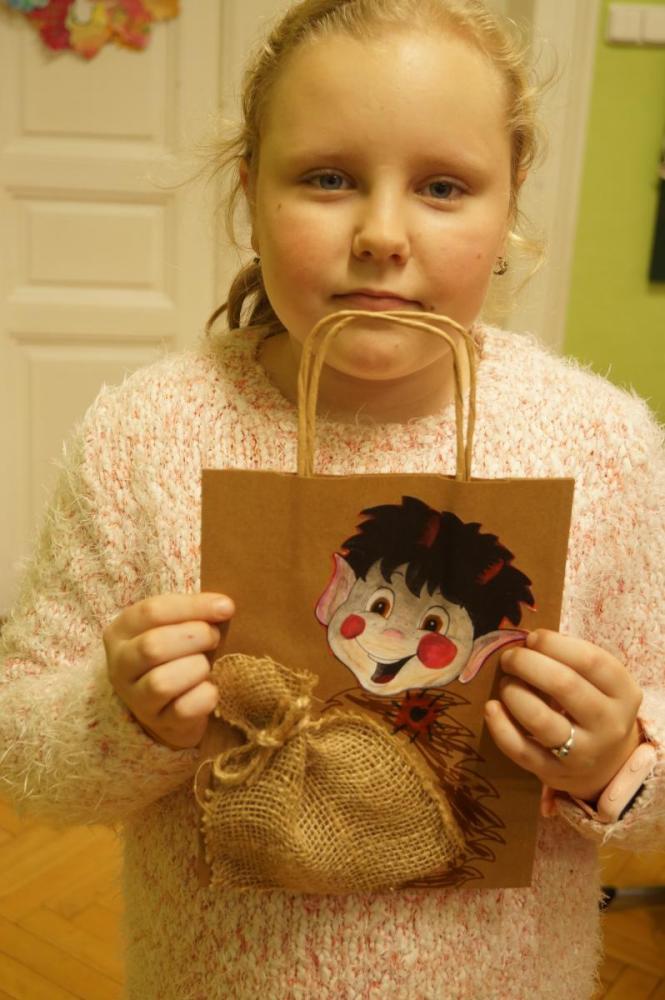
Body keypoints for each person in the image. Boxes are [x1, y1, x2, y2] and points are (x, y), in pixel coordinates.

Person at [1, 1, 663, 997]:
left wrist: (616, 757)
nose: (381, 234)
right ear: (249, 190)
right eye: (326, 178)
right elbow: (22, 741)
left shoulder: (604, 446)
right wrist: (120, 712)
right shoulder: (141, 436)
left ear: (509, 201)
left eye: (442, 186)